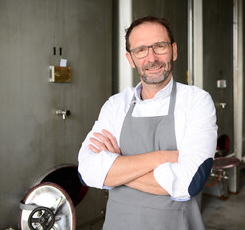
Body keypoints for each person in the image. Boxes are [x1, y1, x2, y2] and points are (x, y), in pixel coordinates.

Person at [78, 15, 217, 230]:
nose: (151, 58)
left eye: (160, 46)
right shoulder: (115, 104)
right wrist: (162, 157)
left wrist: (116, 166)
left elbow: (190, 182)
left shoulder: (197, 101)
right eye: (140, 50)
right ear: (130, 59)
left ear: (174, 51)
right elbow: (87, 171)